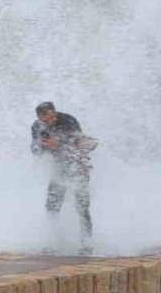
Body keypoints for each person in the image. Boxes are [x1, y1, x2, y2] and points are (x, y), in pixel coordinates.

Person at [30, 101, 94, 253]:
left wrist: (58, 143)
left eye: (53, 116)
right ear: (40, 118)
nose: (51, 120)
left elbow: (80, 143)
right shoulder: (37, 127)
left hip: (78, 167)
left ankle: (87, 244)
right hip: (59, 168)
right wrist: (43, 145)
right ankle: (53, 242)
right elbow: (34, 150)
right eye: (46, 119)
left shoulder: (68, 121)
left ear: (55, 112)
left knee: (82, 206)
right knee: (52, 206)